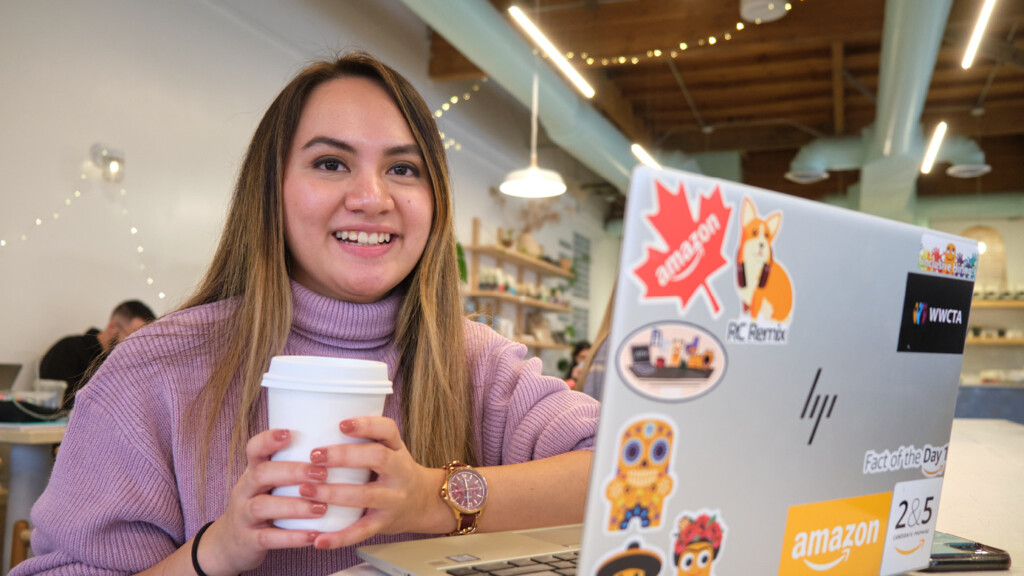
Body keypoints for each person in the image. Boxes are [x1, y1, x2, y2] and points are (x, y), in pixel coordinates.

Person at [13, 52, 599, 575]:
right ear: (272, 189)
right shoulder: (155, 372)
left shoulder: (474, 362)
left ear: (434, 202)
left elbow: (635, 471)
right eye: (330, 163)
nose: (372, 198)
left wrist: (431, 497)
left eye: (403, 168)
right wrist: (213, 551)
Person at [38, 299, 155, 407]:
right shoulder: (68, 349)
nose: (137, 347)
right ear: (113, 327)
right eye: (132, 337)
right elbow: (60, 402)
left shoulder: (127, 364)